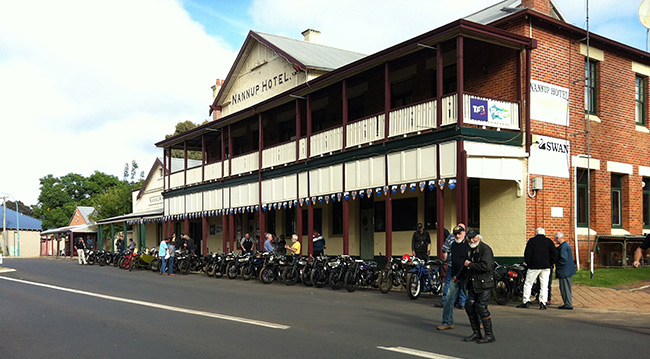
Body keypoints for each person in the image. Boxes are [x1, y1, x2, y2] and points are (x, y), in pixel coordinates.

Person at [460, 230, 495, 344]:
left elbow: (487, 266)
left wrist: (470, 265)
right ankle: (476, 333)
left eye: (473, 238)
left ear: (479, 237)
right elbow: (465, 265)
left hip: (485, 283)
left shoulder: (485, 249)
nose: (471, 240)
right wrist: (458, 276)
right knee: (469, 306)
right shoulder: (470, 250)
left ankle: (489, 335)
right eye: (469, 238)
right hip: (473, 283)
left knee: (481, 307)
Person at [437, 225, 470, 330]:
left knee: (471, 300)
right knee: (448, 300)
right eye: (455, 234)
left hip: (466, 277)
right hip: (455, 277)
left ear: (464, 233)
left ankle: (480, 321)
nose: (457, 236)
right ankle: (447, 322)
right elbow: (451, 259)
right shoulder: (453, 245)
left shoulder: (469, 245)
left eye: (459, 233)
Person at [517, 228, 557, 310]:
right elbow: (554, 253)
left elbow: (527, 253)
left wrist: (528, 263)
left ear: (536, 233)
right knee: (544, 285)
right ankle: (543, 302)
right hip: (546, 266)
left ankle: (526, 301)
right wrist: (550, 263)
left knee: (528, 283)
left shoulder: (532, 241)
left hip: (534, 266)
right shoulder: (549, 241)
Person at [553, 232, 576, 309]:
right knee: (567, 288)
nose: (555, 240)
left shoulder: (563, 247)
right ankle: (568, 303)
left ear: (558, 238)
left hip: (564, 271)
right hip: (568, 270)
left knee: (565, 288)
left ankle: (568, 304)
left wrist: (556, 263)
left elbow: (563, 259)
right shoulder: (566, 245)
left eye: (555, 239)